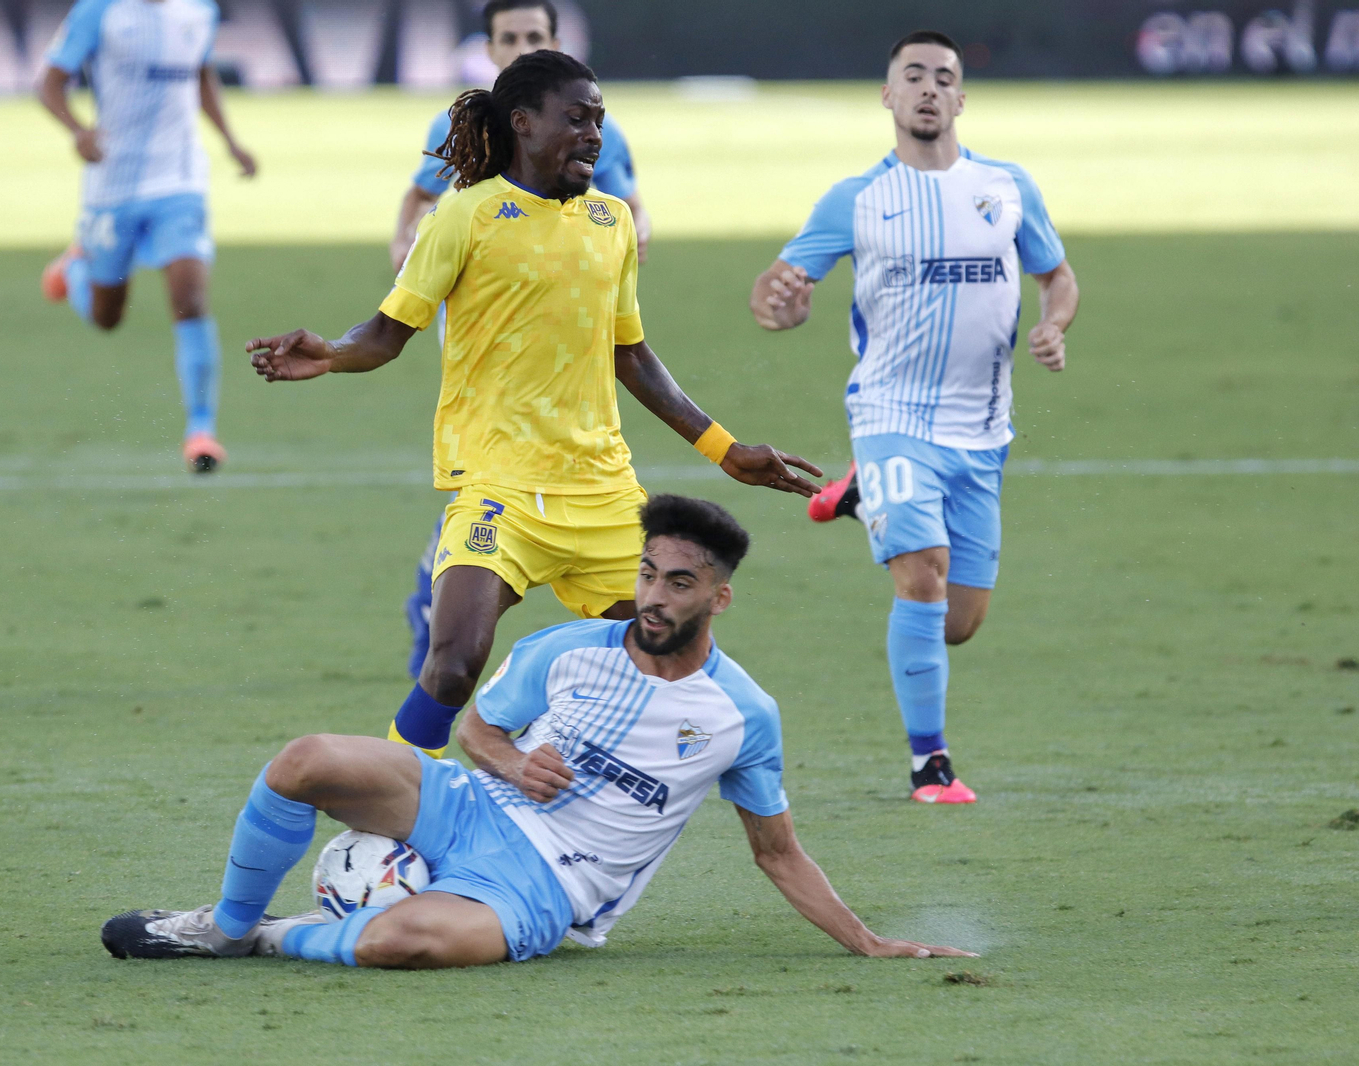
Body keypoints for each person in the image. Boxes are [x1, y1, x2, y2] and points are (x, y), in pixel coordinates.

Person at [100, 495, 975, 967]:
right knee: (304, 761)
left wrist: (865, 940)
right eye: (646, 574)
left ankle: (270, 937)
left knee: (405, 942)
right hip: (471, 805)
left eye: (678, 582)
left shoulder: (741, 716)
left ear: (718, 596)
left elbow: (776, 852)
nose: (654, 597)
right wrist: (514, 764)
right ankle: (219, 927)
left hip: (551, 890)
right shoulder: (567, 647)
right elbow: (477, 729)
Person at [246, 51, 823, 760]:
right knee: (453, 664)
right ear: (522, 123)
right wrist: (333, 352)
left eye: (599, 121)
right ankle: (395, 809)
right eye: (576, 119)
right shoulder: (463, 216)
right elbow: (388, 333)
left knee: (668, 663)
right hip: (499, 491)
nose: (593, 135)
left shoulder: (610, 224)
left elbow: (631, 354)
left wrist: (726, 451)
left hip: (603, 495)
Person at [749, 30, 1080, 804]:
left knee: (959, 621)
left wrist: (1054, 323)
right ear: (889, 96)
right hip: (891, 416)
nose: (929, 89)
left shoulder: (1006, 188)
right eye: (913, 77)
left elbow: (1057, 276)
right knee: (922, 577)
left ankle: (860, 491)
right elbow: (779, 288)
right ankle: (929, 764)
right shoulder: (856, 199)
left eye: (943, 78)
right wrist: (781, 305)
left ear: (961, 99)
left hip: (983, 432)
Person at [392, 0, 652, 678]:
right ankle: (427, 744)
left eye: (532, 37)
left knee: (657, 636)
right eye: (508, 37)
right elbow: (421, 203)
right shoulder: (464, 190)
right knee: (453, 633)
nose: (518, 47)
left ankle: (532, 692)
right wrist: (407, 243)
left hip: (575, 426)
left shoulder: (597, 152)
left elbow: (623, 209)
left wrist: (626, 234)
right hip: (491, 400)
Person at [37, 0, 258, 474]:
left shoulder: (199, 12)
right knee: (106, 316)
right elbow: (49, 83)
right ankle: (75, 269)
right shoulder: (100, 11)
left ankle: (201, 430)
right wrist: (77, 131)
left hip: (180, 181)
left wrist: (230, 141)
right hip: (112, 185)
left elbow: (200, 74)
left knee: (191, 300)